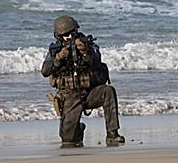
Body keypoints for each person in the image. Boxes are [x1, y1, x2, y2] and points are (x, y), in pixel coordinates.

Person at [40, 15, 125, 148]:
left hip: (90, 93)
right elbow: (45, 71)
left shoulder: (88, 44)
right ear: (58, 36)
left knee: (108, 91)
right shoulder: (55, 50)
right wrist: (58, 58)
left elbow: (97, 63)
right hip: (70, 97)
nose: (69, 38)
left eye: (71, 33)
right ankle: (78, 128)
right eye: (65, 35)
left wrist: (86, 53)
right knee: (69, 141)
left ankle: (112, 133)